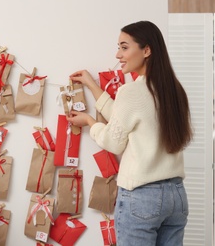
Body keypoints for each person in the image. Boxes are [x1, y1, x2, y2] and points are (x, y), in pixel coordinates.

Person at [67, 21, 193, 246]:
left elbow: (112, 142)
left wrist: (89, 121)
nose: (118, 54)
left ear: (146, 50)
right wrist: (91, 84)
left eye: (124, 47)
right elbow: (123, 116)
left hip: (143, 197)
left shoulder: (132, 91)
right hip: (176, 197)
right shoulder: (174, 89)